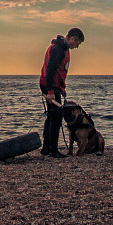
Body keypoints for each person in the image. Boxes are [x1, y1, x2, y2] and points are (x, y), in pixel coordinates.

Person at [38, 27, 84, 158]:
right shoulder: (57, 49)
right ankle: (53, 150)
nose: (77, 46)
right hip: (49, 85)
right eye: (78, 43)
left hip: (52, 85)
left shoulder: (63, 48)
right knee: (56, 118)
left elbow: (59, 71)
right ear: (72, 38)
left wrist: (62, 88)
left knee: (51, 117)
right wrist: (51, 91)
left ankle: (46, 149)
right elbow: (50, 70)